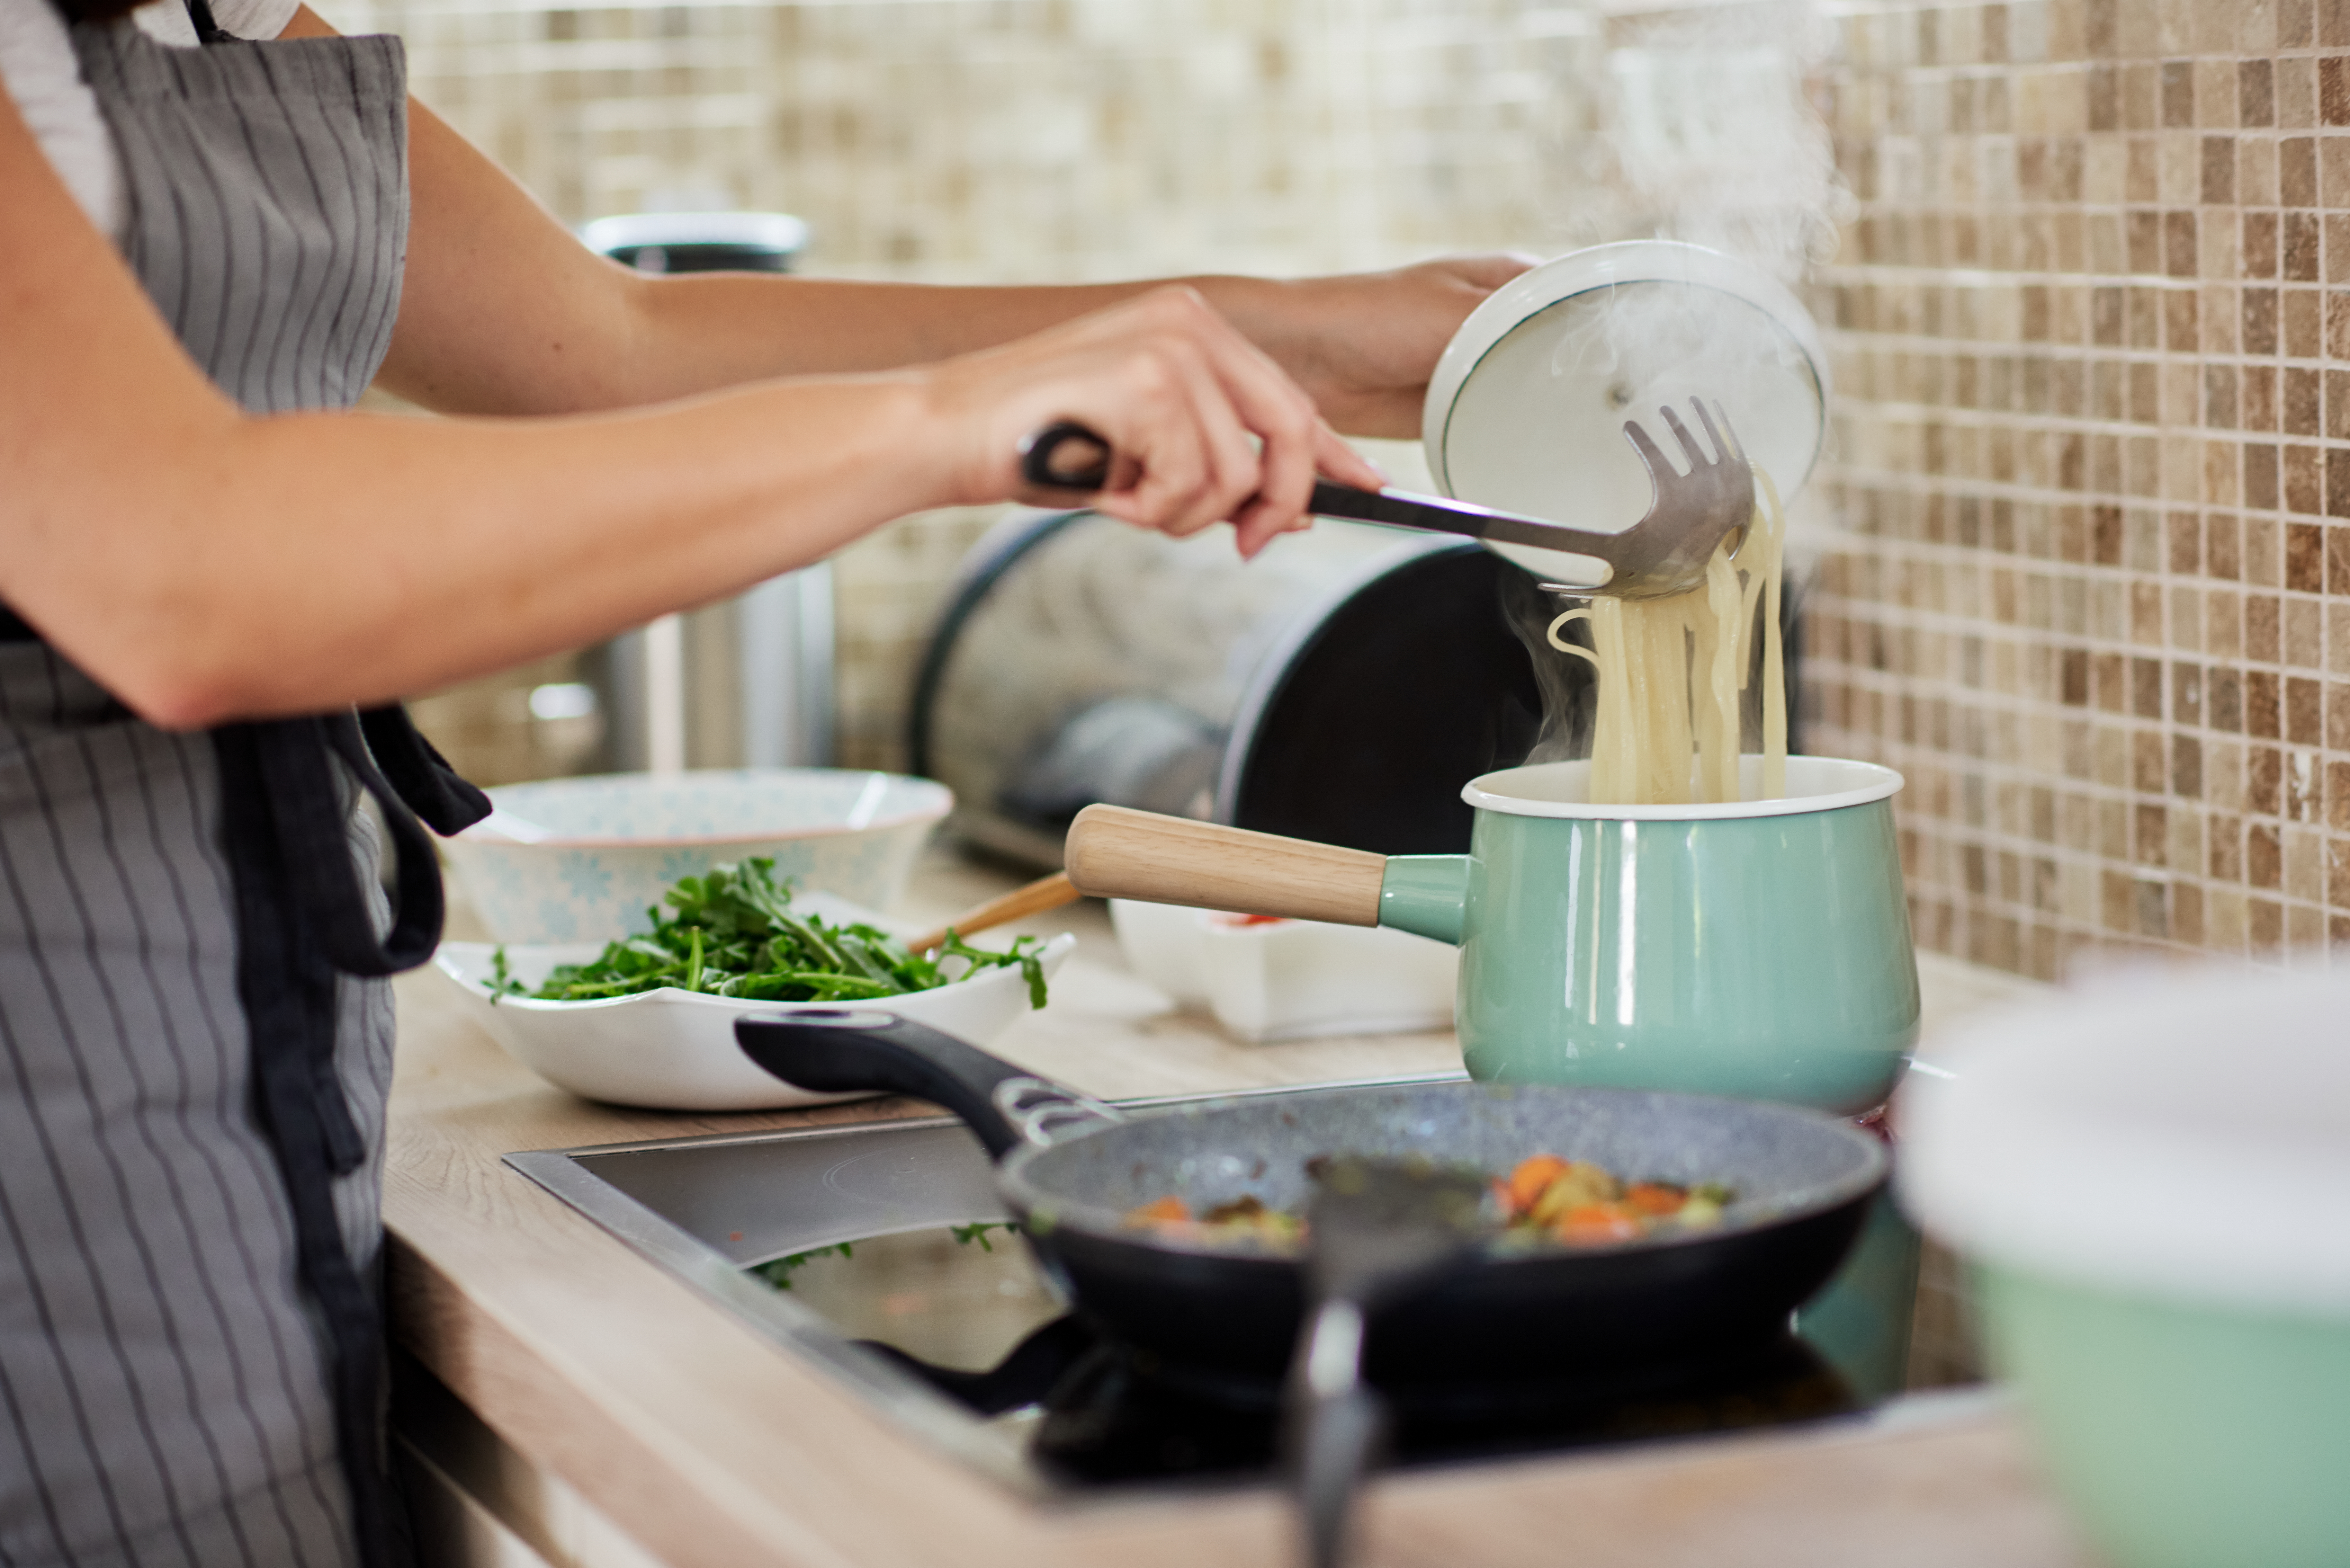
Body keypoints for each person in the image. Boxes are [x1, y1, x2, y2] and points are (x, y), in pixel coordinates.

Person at [0, 0, 1530, 1561]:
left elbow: (608, 350)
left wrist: (1320, 337)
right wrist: (952, 424)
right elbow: (183, 573)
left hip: (235, 1085)